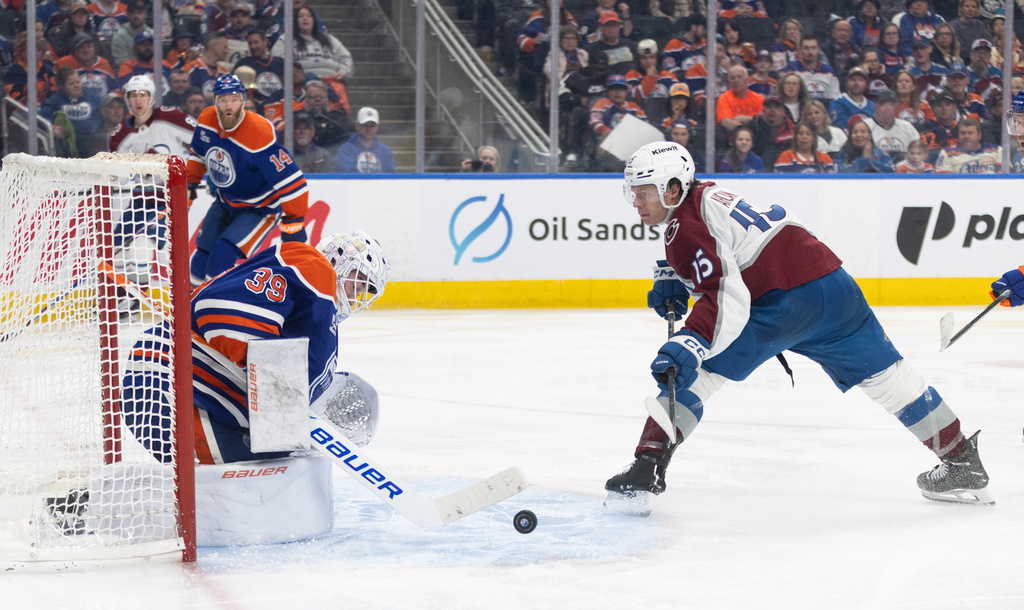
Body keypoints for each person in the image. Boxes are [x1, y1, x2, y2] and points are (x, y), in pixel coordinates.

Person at [605, 140, 992, 515]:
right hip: (832, 284)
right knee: (889, 378)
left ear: (673, 188)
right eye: (633, 193)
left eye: (643, 193)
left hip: (782, 302)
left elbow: (727, 295)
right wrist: (680, 275)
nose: (636, 203)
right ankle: (961, 461)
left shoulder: (683, 229)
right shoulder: (707, 193)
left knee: (696, 373)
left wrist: (692, 340)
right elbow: (728, 246)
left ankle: (647, 464)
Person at [123, 230, 390, 467]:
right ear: (337, 259)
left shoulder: (314, 303)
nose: (356, 294)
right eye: (358, 279)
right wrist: (277, 390)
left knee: (284, 458)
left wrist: (287, 408)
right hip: (164, 387)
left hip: (173, 394)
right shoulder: (313, 270)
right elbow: (217, 310)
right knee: (283, 464)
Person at [186, 74, 310, 285]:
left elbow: (292, 182)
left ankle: (215, 314)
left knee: (221, 258)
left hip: (259, 209)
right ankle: (191, 315)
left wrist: (294, 221)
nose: (229, 105)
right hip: (225, 201)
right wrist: (188, 186)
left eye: (234, 99)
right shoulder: (206, 120)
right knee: (198, 263)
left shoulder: (259, 133)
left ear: (243, 101)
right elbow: (198, 154)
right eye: (223, 100)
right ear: (215, 102)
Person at [108, 74, 196, 156]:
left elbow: (202, 136)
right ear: (128, 101)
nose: (138, 101)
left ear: (152, 99)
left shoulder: (171, 117)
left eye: (143, 95)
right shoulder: (119, 135)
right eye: (133, 96)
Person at [41, 65, 103, 158]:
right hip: (67, 148)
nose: (76, 86)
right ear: (62, 86)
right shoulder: (54, 101)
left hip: (93, 144)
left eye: (78, 82)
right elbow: (42, 119)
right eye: (71, 84)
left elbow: (104, 115)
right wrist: (51, 127)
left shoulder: (93, 98)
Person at [862, 88, 921, 163]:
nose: (887, 108)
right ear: (876, 107)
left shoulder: (907, 127)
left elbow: (919, 153)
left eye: (891, 104)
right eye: (883, 104)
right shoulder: (865, 126)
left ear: (897, 108)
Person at [334, 106, 397, 174]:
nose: (369, 129)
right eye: (365, 125)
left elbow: (391, 177)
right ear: (357, 126)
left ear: (377, 127)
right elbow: (349, 176)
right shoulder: (346, 150)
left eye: (372, 126)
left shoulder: (385, 151)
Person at [54, 31, 115, 100]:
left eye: (89, 46)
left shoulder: (103, 63)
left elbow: (113, 87)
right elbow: (55, 89)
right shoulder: (64, 63)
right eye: (81, 47)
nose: (86, 50)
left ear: (94, 48)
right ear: (74, 49)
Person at [781, 35, 841, 105]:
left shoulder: (829, 71)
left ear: (818, 50)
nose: (810, 52)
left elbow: (835, 98)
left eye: (813, 48)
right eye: (806, 48)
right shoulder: (792, 69)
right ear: (800, 50)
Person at [234, 29, 285, 104]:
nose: (253, 46)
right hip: (254, 107)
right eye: (250, 43)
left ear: (265, 42)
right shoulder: (244, 63)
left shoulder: (279, 62)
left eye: (256, 42)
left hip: (279, 105)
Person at [302, 79, 355, 150]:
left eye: (321, 97)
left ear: (327, 99)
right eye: (313, 97)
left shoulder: (340, 117)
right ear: (306, 99)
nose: (317, 99)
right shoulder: (298, 118)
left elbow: (353, 138)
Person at [934, 116, 1000, 172]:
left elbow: (1005, 179)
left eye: (970, 133)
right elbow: (944, 181)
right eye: (963, 133)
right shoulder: (946, 153)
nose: (966, 136)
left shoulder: (997, 150)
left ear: (979, 135)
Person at [748, 94, 795, 171]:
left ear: (783, 112)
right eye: (769, 107)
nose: (772, 110)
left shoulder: (791, 129)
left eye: (776, 107)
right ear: (763, 111)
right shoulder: (753, 126)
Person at [774, 121, 838, 173]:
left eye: (808, 134)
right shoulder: (786, 156)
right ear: (795, 137)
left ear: (814, 138)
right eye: (800, 133)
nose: (804, 137)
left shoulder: (825, 158)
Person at [716, 64, 764, 133]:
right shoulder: (724, 98)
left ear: (747, 80)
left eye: (739, 77)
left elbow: (761, 123)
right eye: (732, 78)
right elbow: (726, 122)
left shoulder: (759, 98)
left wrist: (738, 118)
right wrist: (751, 122)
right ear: (729, 81)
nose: (736, 80)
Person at [919, 87, 960, 162]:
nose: (944, 108)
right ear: (934, 108)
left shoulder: (963, 129)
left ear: (954, 107)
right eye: (940, 105)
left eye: (947, 105)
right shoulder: (925, 128)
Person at [186, 32, 231, 100]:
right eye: (225, 47)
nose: (227, 51)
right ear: (213, 46)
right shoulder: (191, 69)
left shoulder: (225, 73)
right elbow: (188, 97)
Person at [110, 0, 151, 68]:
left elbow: (158, 60)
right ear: (127, 15)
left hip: (151, 72)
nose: (136, 16)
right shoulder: (119, 36)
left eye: (139, 13)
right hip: (129, 73)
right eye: (132, 13)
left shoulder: (152, 33)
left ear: (145, 14)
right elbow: (122, 64)